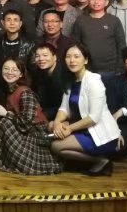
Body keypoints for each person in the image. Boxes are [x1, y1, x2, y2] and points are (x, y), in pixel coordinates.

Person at [0, 58, 61, 175]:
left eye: (14, 70)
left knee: (5, 123)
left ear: (21, 74)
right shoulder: (6, 90)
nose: (9, 72)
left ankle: (22, 163)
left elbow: (26, 122)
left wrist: (6, 114)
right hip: (19, 129)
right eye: (6, 69)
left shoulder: (25, 92)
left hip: (35, 133)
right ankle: (10, 162)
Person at [50, 44, 122, 176]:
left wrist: (69, 128)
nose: (72, 60)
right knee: (51, 126)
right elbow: (64, 108)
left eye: (76, 56)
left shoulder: (94, 81)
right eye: (68, 57)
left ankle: (101, 161)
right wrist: (57, 123)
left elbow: (94, 118)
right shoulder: (71, 80)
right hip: (83, 127)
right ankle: (80, 162)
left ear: (86, 60)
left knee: (56, 146)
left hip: (99, 133)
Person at [71, 0, 126, 77]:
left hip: (110, 69)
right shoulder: (80, 20)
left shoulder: (114, 20)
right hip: (86, 69)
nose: (96, 2)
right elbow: (74, 44)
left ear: (106, 2)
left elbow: (121, 45)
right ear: (88, 1)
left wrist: (120, 68)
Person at [31, 43, 67, 123]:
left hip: (62, 115)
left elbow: (64, 105)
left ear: (55, 57)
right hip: (46, 112)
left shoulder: (63, 75)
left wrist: (41, 114)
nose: (41, 59)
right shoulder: (38, 72)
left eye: (45, 55)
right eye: (37, 56)